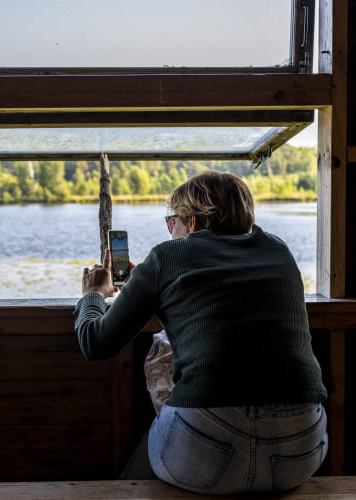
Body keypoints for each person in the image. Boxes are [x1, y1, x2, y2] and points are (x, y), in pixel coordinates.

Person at [74, 171, 328, 495]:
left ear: (191, 222)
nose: (171, 232)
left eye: (172, 223)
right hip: (302, 446)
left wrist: (93, 295)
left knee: (139, 475)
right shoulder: (278, 250)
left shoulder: (167, 257)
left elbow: (96, 343)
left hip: (208, 446)